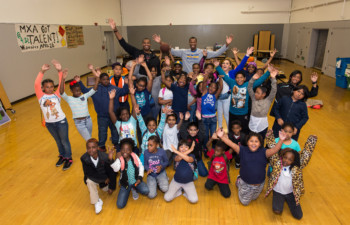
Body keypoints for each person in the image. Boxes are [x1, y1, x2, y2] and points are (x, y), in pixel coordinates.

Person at [217, 128, 287, 206]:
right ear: (247, 142)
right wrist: (222, 137)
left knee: (254, 198)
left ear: (260, 143)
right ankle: (239, 181)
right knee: (245, 202)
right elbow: (232, 145)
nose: (253, 143)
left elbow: (275, 150)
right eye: (251, 141)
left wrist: (281, 140)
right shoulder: (242, 150)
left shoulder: (265, 152)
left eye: (256, 141)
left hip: (260, 184)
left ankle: (244, 184)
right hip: (245, 183)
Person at [265, 132, 318, 220]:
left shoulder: (297, 167)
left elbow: (306, 154)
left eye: (290, 159)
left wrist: (311, 140)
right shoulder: (277, 162)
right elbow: (272, 148)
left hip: (291, 193)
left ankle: (289, 201)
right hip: (278, 192)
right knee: (277, 211)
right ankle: (279, 199)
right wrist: (270, 136)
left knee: (298, 216)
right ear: (282, 156)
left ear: (294, 161)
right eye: (285, 157)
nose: (286, 161)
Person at [78, 66, 129, 151]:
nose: (105, 81)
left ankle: (116, 143)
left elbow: (124, 92)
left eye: (107, 79)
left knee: (115, 130)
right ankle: (101, 145)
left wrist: (126, 84)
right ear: (100, 80)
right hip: (102, 116)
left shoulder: (114, 88)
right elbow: (85, 91)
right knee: (102, 131)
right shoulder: (95, 90)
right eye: (103, 79)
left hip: (113, 115)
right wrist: (79, 82)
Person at [34, 60, 72, 170]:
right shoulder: (40, 96)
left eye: (51, 86)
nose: (50, 88)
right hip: (50, 124)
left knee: (65, 141)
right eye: (47, 87)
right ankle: (62, 156)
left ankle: (68, 158)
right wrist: (42, 71)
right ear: (43, 88)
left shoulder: (57, 95)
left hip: (61, 122)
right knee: (58, 141)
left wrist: (60, 71)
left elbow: (61, 84)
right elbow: (36, 84)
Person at [215, 61, 271, 134]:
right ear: (235, 79)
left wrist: (268, 72)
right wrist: (217, 66)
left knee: (244, 132)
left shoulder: (248, 85)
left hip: (243, 114)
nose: (239, 79)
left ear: (245, 78)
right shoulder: (232, 83)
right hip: (232, 113)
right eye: (237, 78)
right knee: (232, 131)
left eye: (241, 77)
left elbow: (259, 81)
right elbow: (224, 76)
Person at [153, 34, 233, 73]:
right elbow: (170, 49)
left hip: (198, 77)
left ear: (196, 43)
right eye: (191, 42)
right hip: (186, 77)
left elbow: (217, 53)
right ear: (189, 43)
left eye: (194, 42)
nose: (192, 43)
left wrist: (227, 44)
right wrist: (160, 42)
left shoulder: (202, 52)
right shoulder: (183, 52)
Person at [216, 47, 254, 128]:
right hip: (219, 98)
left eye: (227, 63)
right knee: (219, 115)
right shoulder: (217, 73)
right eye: (223, 63)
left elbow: (241, 66)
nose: (224, 64)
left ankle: (229, 132)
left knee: (227, 116)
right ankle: (219, 131)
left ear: (230, 66)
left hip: (228, 98)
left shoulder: (232, 73)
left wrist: (247, 55)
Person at [130, 87, 170, 164]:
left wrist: (164, 113)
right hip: (145, 154)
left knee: (158, 164)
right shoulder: (144, 130)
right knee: (140, 166)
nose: (151, 127)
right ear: (147, 126)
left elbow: (161, 122)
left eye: (153, 125)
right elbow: (141, 122)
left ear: (156, 126)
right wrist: (138, 113)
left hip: (156, 154)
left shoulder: (158, 131)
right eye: (149, 125)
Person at [60, 64, 99, 141]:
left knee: (89, 138)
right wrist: (63, 79)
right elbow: (61, 92)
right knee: (89, 140)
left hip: (88, 120)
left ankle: (90, 152)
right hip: (79, 123)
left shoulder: (84, 96)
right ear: (71, 91)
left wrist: (97, 78)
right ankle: (92, 152)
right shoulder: (69, 99)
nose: (79, 92)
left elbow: (94, 89)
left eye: (79, 90)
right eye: (76, 91)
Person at [109, 138, 150, 209]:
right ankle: (129, 188)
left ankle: (134, 188)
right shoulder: (120, 160)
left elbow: (140, 166)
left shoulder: (135, 156)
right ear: (120, 150)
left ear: (131, 151)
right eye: (123, 149)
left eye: (128, 149)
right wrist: (111, 159)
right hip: (125, 184)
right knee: (120, 205)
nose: (125, 151)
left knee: (146, 191)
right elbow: (115, 169)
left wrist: (140, 177)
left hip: (136, 181)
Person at [81, 138, 116, 214]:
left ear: (97, 148)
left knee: (106, 190)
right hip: (98, 178)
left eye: (93, 147)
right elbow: (88, 173)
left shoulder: (105, 157)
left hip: (106, 181)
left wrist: (112, 187)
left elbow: (112, 172)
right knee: (89, 181)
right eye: (89, 148)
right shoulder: (84, 158)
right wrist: (103, 179)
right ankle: (96, 201)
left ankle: (102, 188)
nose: (91, 150)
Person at [247, 67, 278, 141]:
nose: (255, 94)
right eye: (255, 92)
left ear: (263, 94)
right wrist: (253, 79)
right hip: (252, 122)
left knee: (261, 140)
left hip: (262, 125)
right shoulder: (253, 98)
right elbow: (249, 88)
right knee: (251, 139)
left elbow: (274, 90)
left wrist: (273, 78)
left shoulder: (268, 100)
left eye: (258, 93)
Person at [108, 89, 139, 154]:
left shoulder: (132, 120)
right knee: (118, 160)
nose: (125, 116)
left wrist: (132, 95)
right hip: (121, 146)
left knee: (135, 162)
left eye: (127, 114)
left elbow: (135, 106)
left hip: (133, 146)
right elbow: (110, 112)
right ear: (120, 116)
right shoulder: (118, 123)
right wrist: (111, 99)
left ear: (129, 114)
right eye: (123, 114)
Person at [179, 111, 208, 177]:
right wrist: (186, 120)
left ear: (197, 130)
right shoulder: (186, 137)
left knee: (204, 174)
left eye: (195, 130)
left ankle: (196, 167)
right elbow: (182, 131)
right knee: (187, 175)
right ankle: (193, 168)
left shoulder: (199, 137)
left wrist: (200, 119)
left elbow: (203, 131)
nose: (192, 132)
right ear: (188, 130)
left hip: (198, 159)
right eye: (191, 130)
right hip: (188, 159)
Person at [201, 72, 223, 148]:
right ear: (208, 86)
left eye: (214, 88)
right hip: (204, 119)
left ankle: (213, 148)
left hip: (213, 119)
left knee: (213, 134)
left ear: (216, 90)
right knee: (206, 135)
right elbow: (204, 83)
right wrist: (206, 76)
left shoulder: (215, 96)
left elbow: (221, 88)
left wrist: (220, 78)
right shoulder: (204, 93)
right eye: (211, 86)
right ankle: (205, 148)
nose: (211, 88)